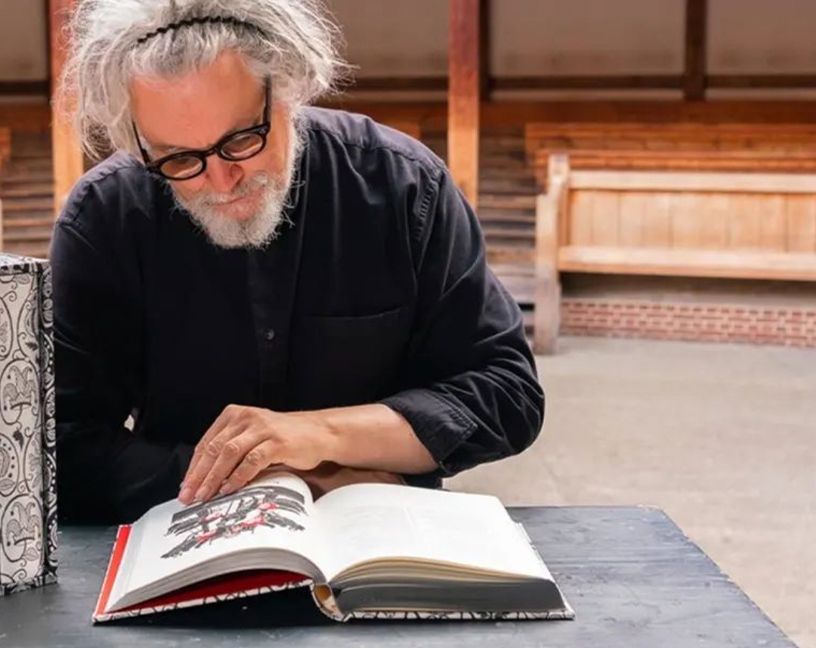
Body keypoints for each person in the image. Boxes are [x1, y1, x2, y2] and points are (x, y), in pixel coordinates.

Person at [52, 0, 544, 523]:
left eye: (242, 140)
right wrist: (290, 479)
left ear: (288, 87)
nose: (220, 183)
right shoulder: (104, 218)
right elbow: (65, 447)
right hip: (183, 539)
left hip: (383, 541)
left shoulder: (403, 185)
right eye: (179, 159)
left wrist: (321, 434)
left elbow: (506, 392)